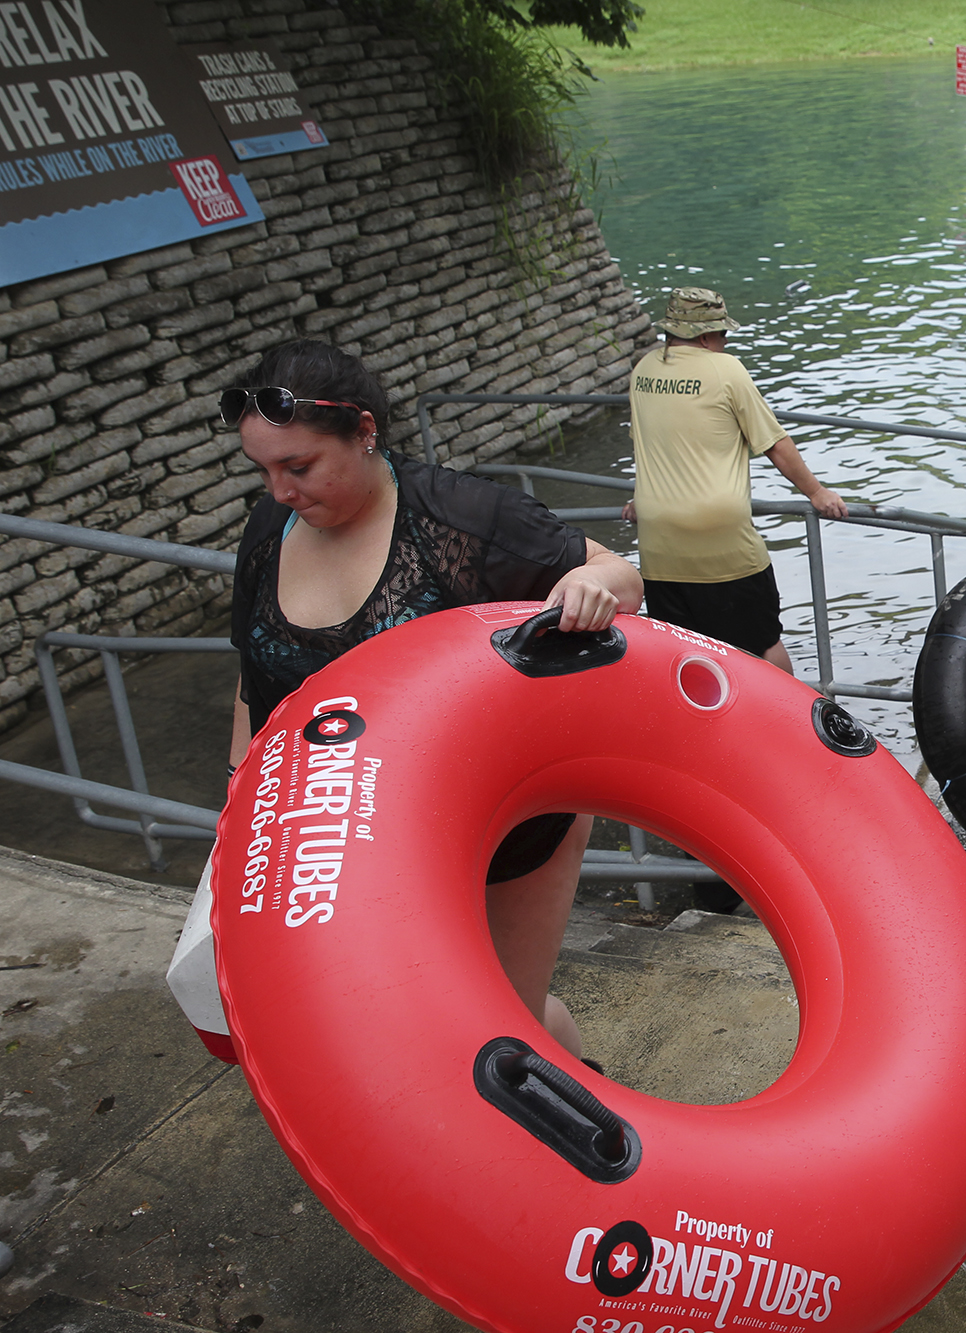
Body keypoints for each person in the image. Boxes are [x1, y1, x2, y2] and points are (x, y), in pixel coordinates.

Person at [225, 340, 642, 1059]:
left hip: (501, 819)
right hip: (350, 830)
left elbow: (617, 572)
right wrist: (238, 804)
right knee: (404, 1018)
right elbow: (251, 677)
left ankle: (589, 1121)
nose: (281, 491)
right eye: (263, 471)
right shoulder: (270, 531)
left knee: (501, 1023)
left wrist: (590, 587)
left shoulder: (463, 516)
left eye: (299, 467)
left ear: (364, 432)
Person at [620, 288, 847, 675]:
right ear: (708, 336)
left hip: (659, 543)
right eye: (723, 335)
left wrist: (640, 497)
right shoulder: (725, 370)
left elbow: (652, 443)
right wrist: (817, 491)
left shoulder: (644, 371)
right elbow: (774, 443)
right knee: (762, 645)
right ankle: (788, 726)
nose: (725, 343)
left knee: (686, 654)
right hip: (719, 540)